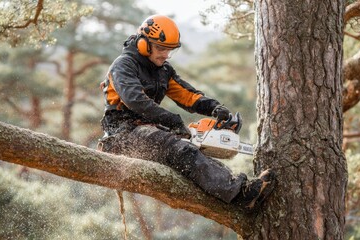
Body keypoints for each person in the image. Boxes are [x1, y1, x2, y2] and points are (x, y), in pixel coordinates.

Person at [98, 15, 275, 210]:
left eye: (169, 51)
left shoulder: (163, 70)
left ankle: (237, 191)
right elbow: (135, 100)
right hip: (122, 137)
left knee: (192, 149)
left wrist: (215, 108)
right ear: (143, 44)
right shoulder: (124, 66)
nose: (165, 55)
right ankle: (239, 196)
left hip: (148, 132)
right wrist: (172, 120)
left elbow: (187, 95)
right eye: (161, 49)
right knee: (180, 148)